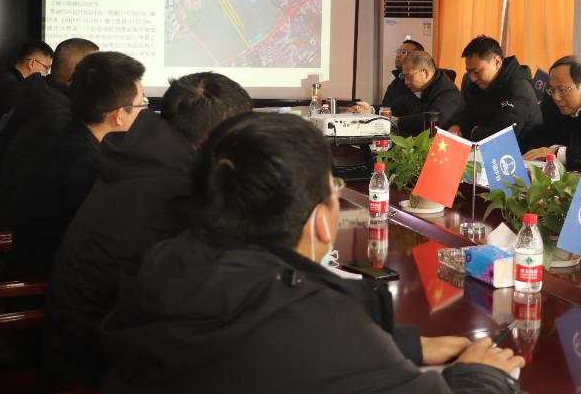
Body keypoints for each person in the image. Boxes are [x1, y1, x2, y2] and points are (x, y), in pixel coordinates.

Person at [100, 112, 525, 394]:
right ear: (321, 221)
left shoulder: (162, 265)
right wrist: (481, 376)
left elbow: (269, 349)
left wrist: (406, 345)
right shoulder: (315, 317)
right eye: (333, 189)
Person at [42, 73, 253, 390]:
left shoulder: (140, 157)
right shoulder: (177, 191)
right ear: (221, 137)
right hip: (95, 371)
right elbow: (206, 294)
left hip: (76, 344)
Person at [9, 51, 146, 279]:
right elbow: (107, 247)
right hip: (51, 284)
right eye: (142, 104)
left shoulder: (73, 136)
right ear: (119, 114)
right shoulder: (86, 163)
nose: (144, 111)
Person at [0, 38, 99, 224]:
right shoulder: (60, 114)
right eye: (98, 73)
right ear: (77, 76)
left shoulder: (41, 92)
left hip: (11, 201)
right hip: (21, 221)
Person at [448, 35, 541, 141]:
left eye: (477, 71)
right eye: (469, 72)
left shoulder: (519, 89)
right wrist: (456, 126)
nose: (472, 78)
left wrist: (475, 133)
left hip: (523, 149)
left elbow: (503, 135)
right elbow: (467, 115)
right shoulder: (482, 86)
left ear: (497, 62)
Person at [0, 40, 54, 149]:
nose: (46, 73)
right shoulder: (10, 87)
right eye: (46, 68)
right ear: (32, 63)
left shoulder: (7, 78)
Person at [374, 50, 461, 135]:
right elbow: (396, 107)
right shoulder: (416, 87)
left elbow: (432, 120)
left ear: (425, 73)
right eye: (404, 77)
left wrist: (395, 122)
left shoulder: (447, 91)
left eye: (409, 76)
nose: (406, 82)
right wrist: (371, 109)